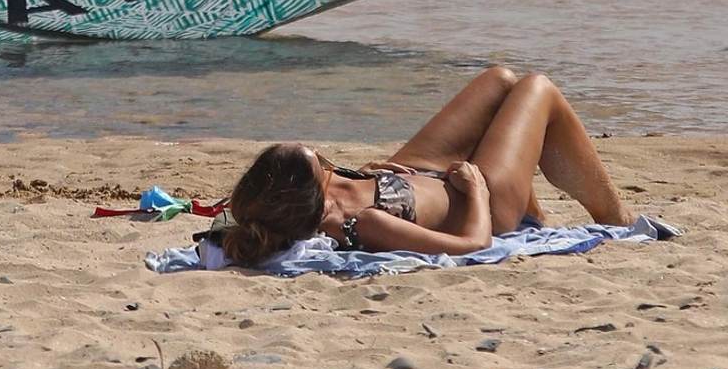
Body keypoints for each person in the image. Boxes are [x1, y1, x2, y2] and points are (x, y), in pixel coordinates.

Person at [219, 66, 626, 268]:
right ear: (311, 190)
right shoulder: (365, 223)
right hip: (482, 203)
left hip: (419, 178)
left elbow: (351, 188)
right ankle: (615, 216)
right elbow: (474, 246)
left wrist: (372, 175)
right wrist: (480, 193)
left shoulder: (328, 197)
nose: (326, 161)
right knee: (537, 87)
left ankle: (536, 215)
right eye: (320, 162)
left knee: (500, 79)